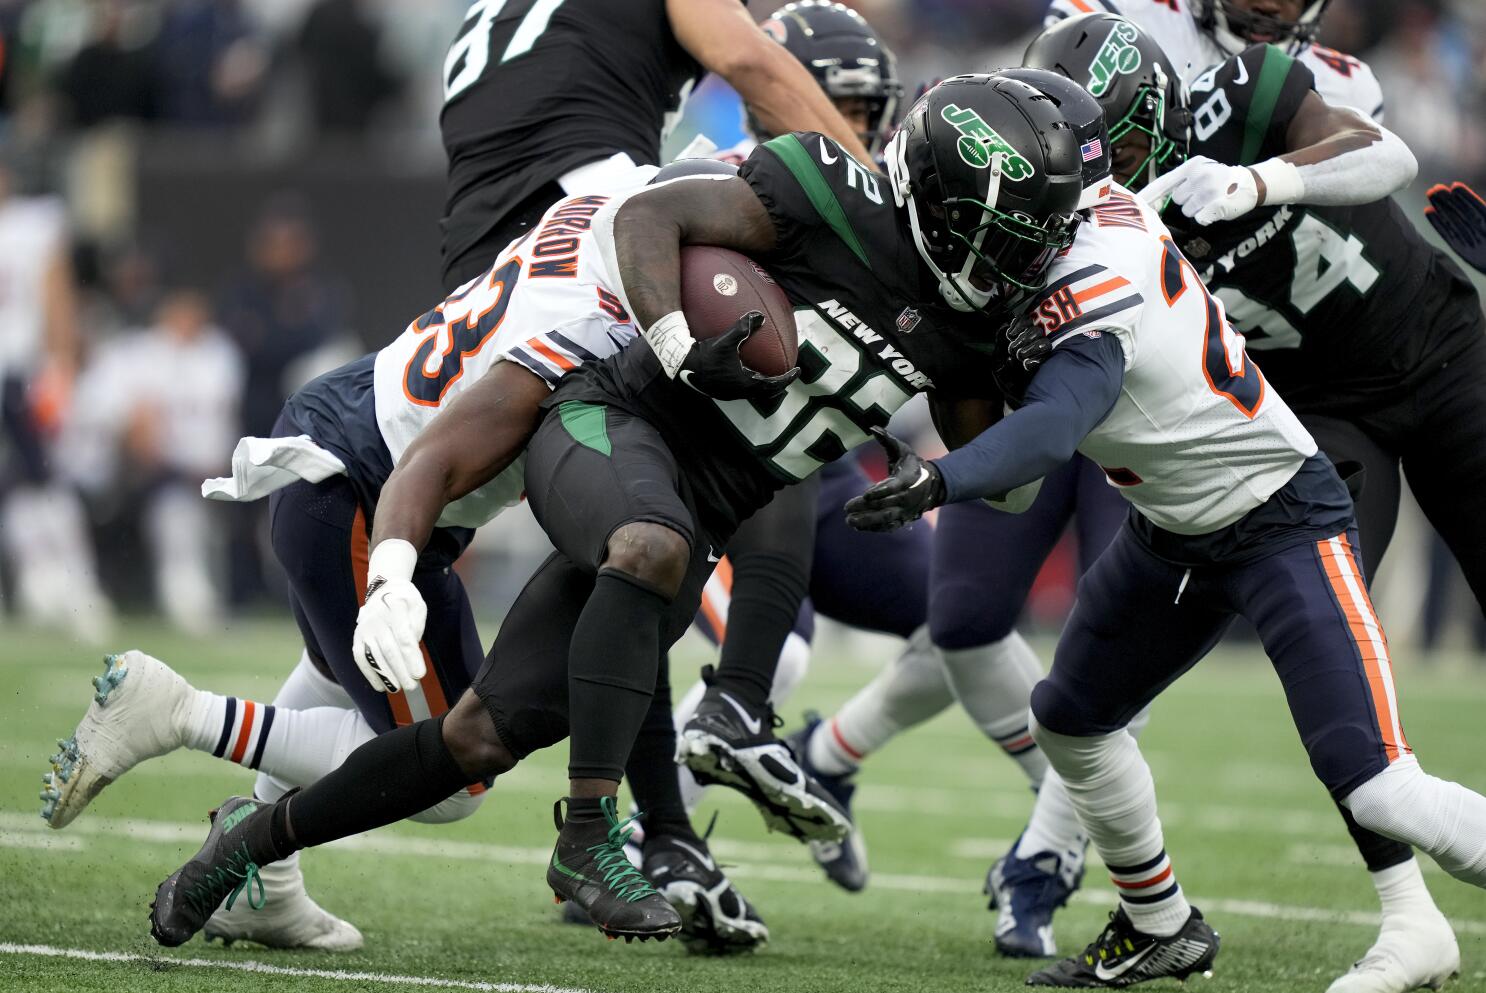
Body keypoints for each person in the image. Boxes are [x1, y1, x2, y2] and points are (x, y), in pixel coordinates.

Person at [143, 72, 1099, 953]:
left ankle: (247, 846)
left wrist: (974, 447)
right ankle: (593, 836)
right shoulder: (808, 196)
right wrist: (394, 562)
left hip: (703, 509)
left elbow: (1004, 476)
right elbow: (644, 224)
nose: (1028, 254)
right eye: (1016, 228)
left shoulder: (972, 325)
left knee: (476, 739)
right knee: (650, 546)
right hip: (609, 419)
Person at [845, 68, 1486, 989]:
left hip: (1277, 515)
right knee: (1070, 720)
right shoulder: (1093, 205)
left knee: (1380, 781)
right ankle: (1159, 924)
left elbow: (1055, 426)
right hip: (1170, 532)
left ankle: (1410, 921)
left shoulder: (1095, 276)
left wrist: (940, 479)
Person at [49, 176, 765, 954]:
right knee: (458, 775)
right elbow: (435, 460)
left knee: (333, 675)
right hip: (370, 490)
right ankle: (179, 712)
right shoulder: (592, 333)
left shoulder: (596, 209)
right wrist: (390, 575)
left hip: (363, 428)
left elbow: (673, 198)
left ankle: (266, 886)